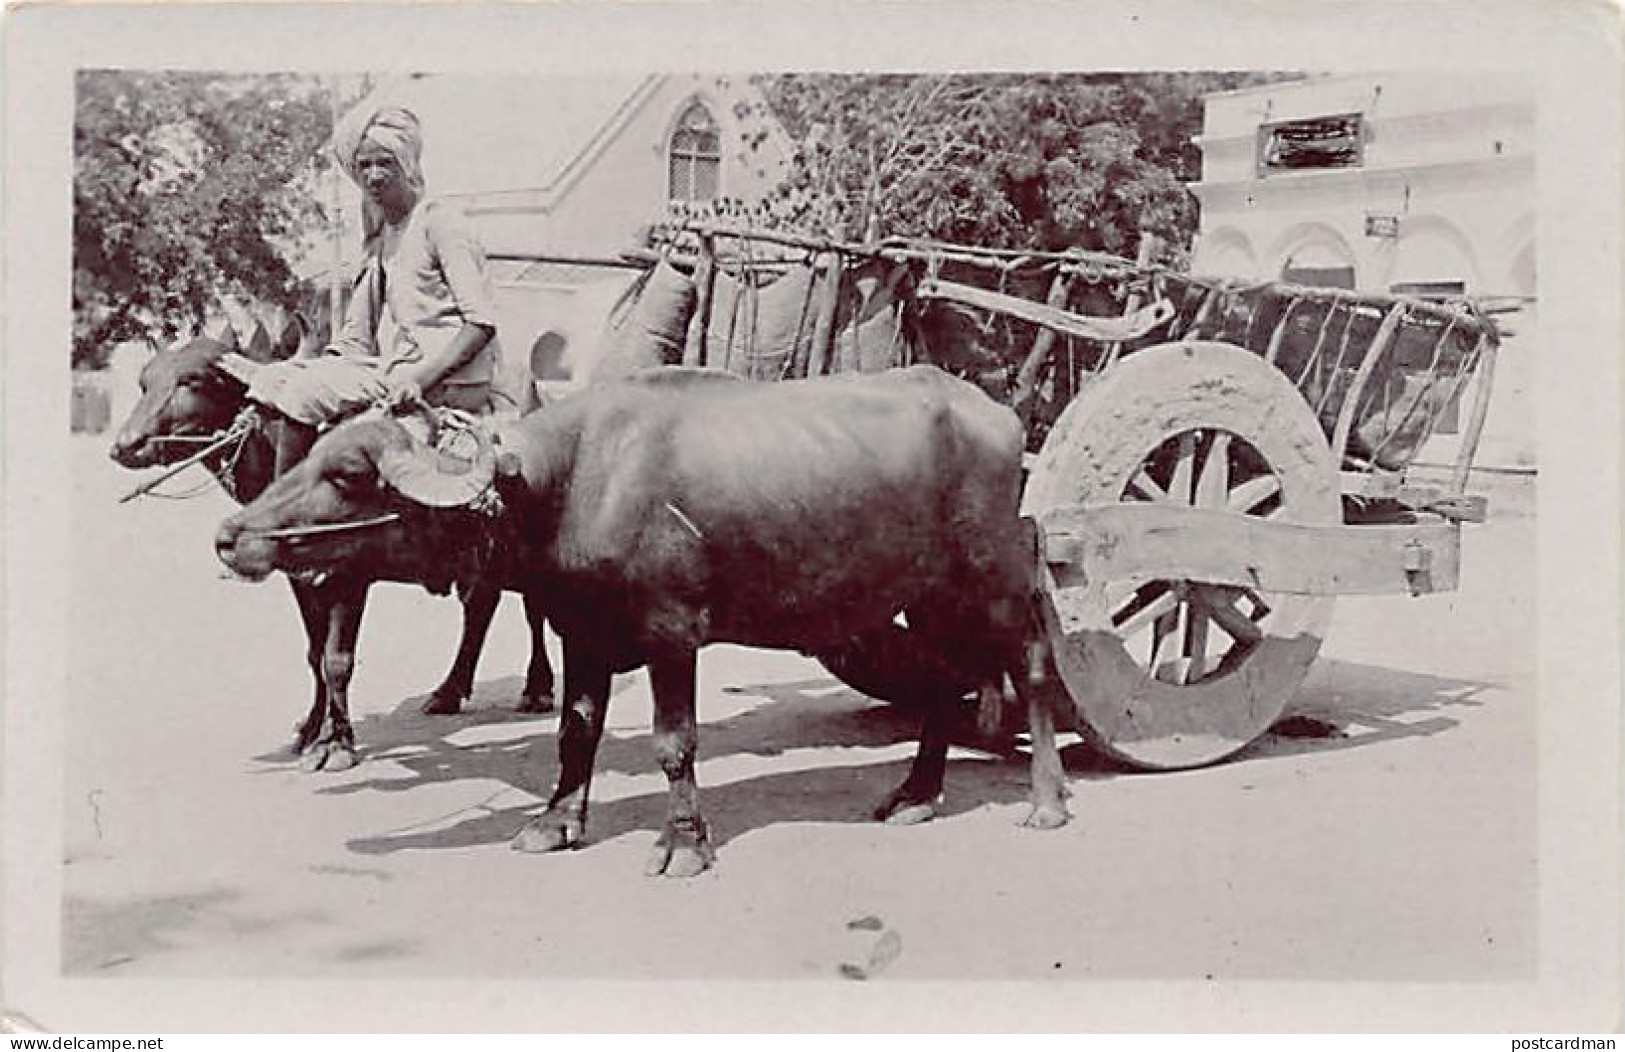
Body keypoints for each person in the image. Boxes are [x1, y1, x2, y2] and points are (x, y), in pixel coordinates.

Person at [243, 106, 503, 470]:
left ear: (407, 164)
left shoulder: (439, 222)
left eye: (385, 163)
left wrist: (419, 379)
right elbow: (356, 340)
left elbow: (482, 324)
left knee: (304, 398)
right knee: (270, 380)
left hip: (450, 378)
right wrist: (309, 365)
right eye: (364, 166)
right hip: (397, 369)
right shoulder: (383, 237)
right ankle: (280, 499)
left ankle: (285, 513)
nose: (374, 176)